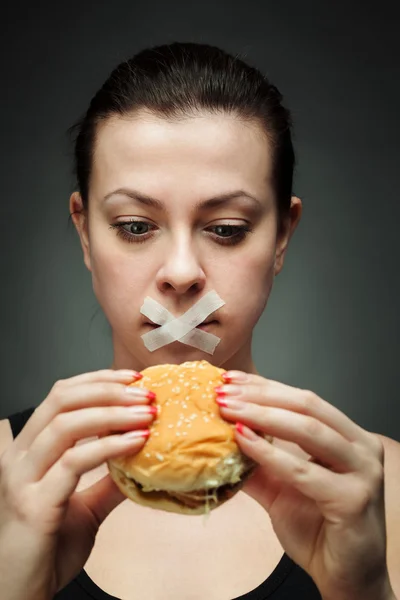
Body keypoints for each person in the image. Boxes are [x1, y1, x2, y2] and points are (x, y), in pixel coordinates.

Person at [0, 41, 399, 600]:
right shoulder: (6, 477)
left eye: (227, 228)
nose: (182, 273)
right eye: (136, 226)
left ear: (281, 236)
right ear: (85, 231)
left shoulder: (381, 490)